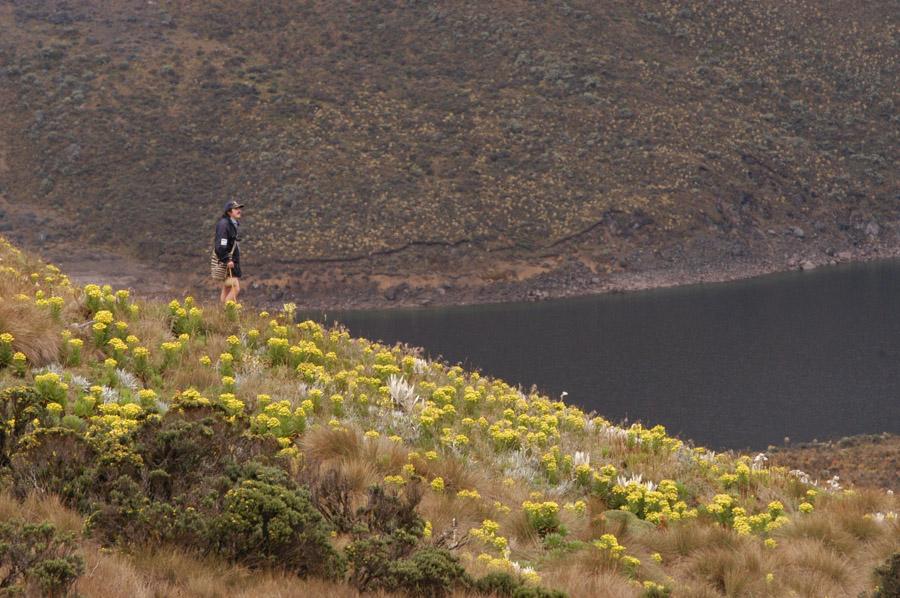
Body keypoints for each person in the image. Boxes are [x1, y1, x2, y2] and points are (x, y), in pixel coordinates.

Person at [214, 200, 244, 303]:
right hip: (228, 263)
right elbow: (220, 246)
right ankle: (229, 311)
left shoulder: (231, 224)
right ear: (229, 212)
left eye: (239, 208)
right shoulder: (224, 225)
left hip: (231, 262)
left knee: (227, 288)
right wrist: (226, 260)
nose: (239, 210)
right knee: (235, 287)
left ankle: (222, 313)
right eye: (236, 208)